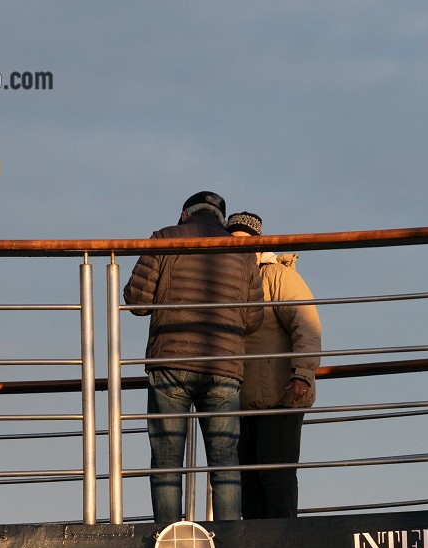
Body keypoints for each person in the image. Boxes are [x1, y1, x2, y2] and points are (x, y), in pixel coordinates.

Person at [123, 191, 265, 525]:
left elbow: (137, 301)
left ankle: (169, 541)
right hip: (224, 368)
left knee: (167, 461)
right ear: (220, 218)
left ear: (185, 215)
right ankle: (230, 541)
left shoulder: (164, 239)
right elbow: (253, 319)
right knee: (225, 461)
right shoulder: (241, 252)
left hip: (171, 363)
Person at [225, 211, 322, 518]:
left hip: (280, 397)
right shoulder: (227, 282)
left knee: (276, 479)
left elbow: (306, 325)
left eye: (244, 241)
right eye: (231, 241)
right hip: (240, 402)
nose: (237, 247)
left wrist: (303, 374)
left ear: (258, 243)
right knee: (247, 484)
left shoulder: (278, 275)